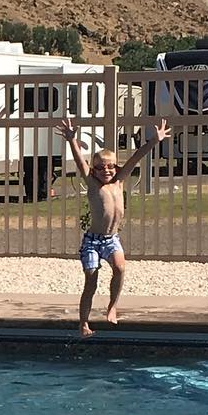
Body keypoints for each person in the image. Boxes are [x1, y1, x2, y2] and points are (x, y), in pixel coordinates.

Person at [55, 115, 170, 337]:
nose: (106, 171)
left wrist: (154, 141)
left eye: (110, 167)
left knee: (120, 268)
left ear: (115, 168)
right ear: (94, 170)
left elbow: (136, 157)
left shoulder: (119, 180)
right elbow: (80, 161)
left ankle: (112, 306)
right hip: (92, 241)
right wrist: (71, 140)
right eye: (100, 168)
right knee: (91, 278)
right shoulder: (92, 184)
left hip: (111, 239)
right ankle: (83, 324)